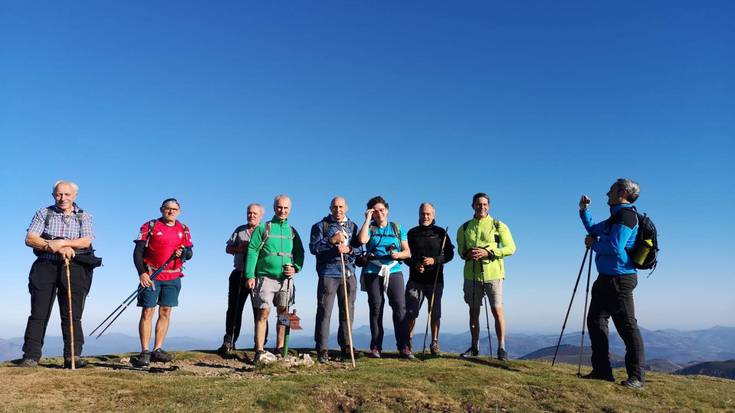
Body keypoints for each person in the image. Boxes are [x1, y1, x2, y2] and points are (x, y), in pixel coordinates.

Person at [18, 180, 96, 368]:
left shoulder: (84, 216)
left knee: (72, 312)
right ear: (54, 195)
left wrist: (61, 244)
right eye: (59, 194)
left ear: (74, 196)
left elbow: (85, 241)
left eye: (67, 194)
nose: (63, 198)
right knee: (38, 311)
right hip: (45, 265)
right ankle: (31, 356)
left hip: (75, 265)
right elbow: (30, 239)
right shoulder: (43, 213)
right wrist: (49, 246)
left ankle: (73, 356)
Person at [579, 178, 646, 389]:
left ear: (623, 193)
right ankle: (602, 371)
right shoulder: (615, 217)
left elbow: (616, 247)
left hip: (620, 279)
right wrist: (584, 210)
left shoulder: (626, 216)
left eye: (611, 189)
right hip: (606, 279)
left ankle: (636, 378)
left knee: (627, 328)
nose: (607, 192)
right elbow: (593, 227)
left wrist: (594, 244)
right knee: (595, 321)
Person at [132, 198, 193, 367]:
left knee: (165, 311)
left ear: (179, 211)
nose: (171, 211)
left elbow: (189, 254)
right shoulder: (150, 226)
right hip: (151, 276)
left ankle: (157, 349)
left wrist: (184, 253)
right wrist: (142, 273)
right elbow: (137, 252)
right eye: (168, 208)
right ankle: (145, 351)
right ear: (162, 209)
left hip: (173, 276)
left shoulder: (184, 229)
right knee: (147, 311)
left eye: (174, 209)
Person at [246, 195, 305, 364]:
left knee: (283, 313)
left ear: (290, 210)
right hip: (265, 277)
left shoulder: (292, 231)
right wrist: (250, 275)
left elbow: (300, 253)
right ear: (274, 208)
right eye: (279, 207)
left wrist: (296, 267)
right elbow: (252, 251)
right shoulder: (264, 228)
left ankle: (279, 348)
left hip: (285, 279)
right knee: (263, 312)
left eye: (286, 208)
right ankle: (259, 350)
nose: (282, 210)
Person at [457, 192, 516, 360]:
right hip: (471, 274)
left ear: (488, 206)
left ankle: (501, 348)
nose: (481, 207)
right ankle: (474, 347)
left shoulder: (498, 226)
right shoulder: (464, 227)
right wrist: (468, 253)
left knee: (497, 311)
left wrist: (488, 252)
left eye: (484, 204)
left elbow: (511, 248)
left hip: (494, 274)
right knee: (473, 311)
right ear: (472, 206)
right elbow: (461, 251)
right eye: (478, 204)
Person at [357, 196, 413, 359]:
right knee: (376, 308)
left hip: (393, 270)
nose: (379, 213)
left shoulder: (397, 228)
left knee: (399, 307)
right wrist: (367, 218)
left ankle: (404, 346)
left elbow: (407, 252)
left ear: (387, 210)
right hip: (372, 271)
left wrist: (398, 255)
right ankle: (376, 347)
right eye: (375, 211)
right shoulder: (370, 228)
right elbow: (362, 240)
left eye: (382, 210)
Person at [309, 196, 363, 363]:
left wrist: (349, 250)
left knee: (347, 312)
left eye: (340, 207)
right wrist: (330, 241)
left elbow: (360, 249)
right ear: (330, 208)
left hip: (348, 273)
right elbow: (314, 248)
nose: (337, 210)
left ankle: (346, 347)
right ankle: (322, 349)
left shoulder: (353, 226)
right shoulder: (320, 226)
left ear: (346, 207)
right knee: (325, 312)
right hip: (328, 273)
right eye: (334, 207)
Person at [218, 203, 268, 355]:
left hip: (259, 276)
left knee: (260, 310)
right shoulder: (240, 230)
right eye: (249, 213)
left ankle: (260, 344)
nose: (251, 215)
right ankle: (229, 342)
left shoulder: (267, 231)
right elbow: (228, 248)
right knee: (234, 309)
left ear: (261, 215)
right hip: (239, 274)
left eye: (254, 213)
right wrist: (240, 249)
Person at [405, 203, 454, 356]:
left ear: (433, 215)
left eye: (428, 214)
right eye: (422, 214)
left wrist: (435, 260)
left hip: (435, 280)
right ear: (419, 214)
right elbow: (406, 255)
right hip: (415, 280)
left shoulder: (441, 233)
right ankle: (408, 342)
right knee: (411, 312)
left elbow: (450, 254)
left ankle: (434, 343)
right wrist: (415, 265)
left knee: (435, 313)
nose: (425, 217)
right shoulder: (412, 233)